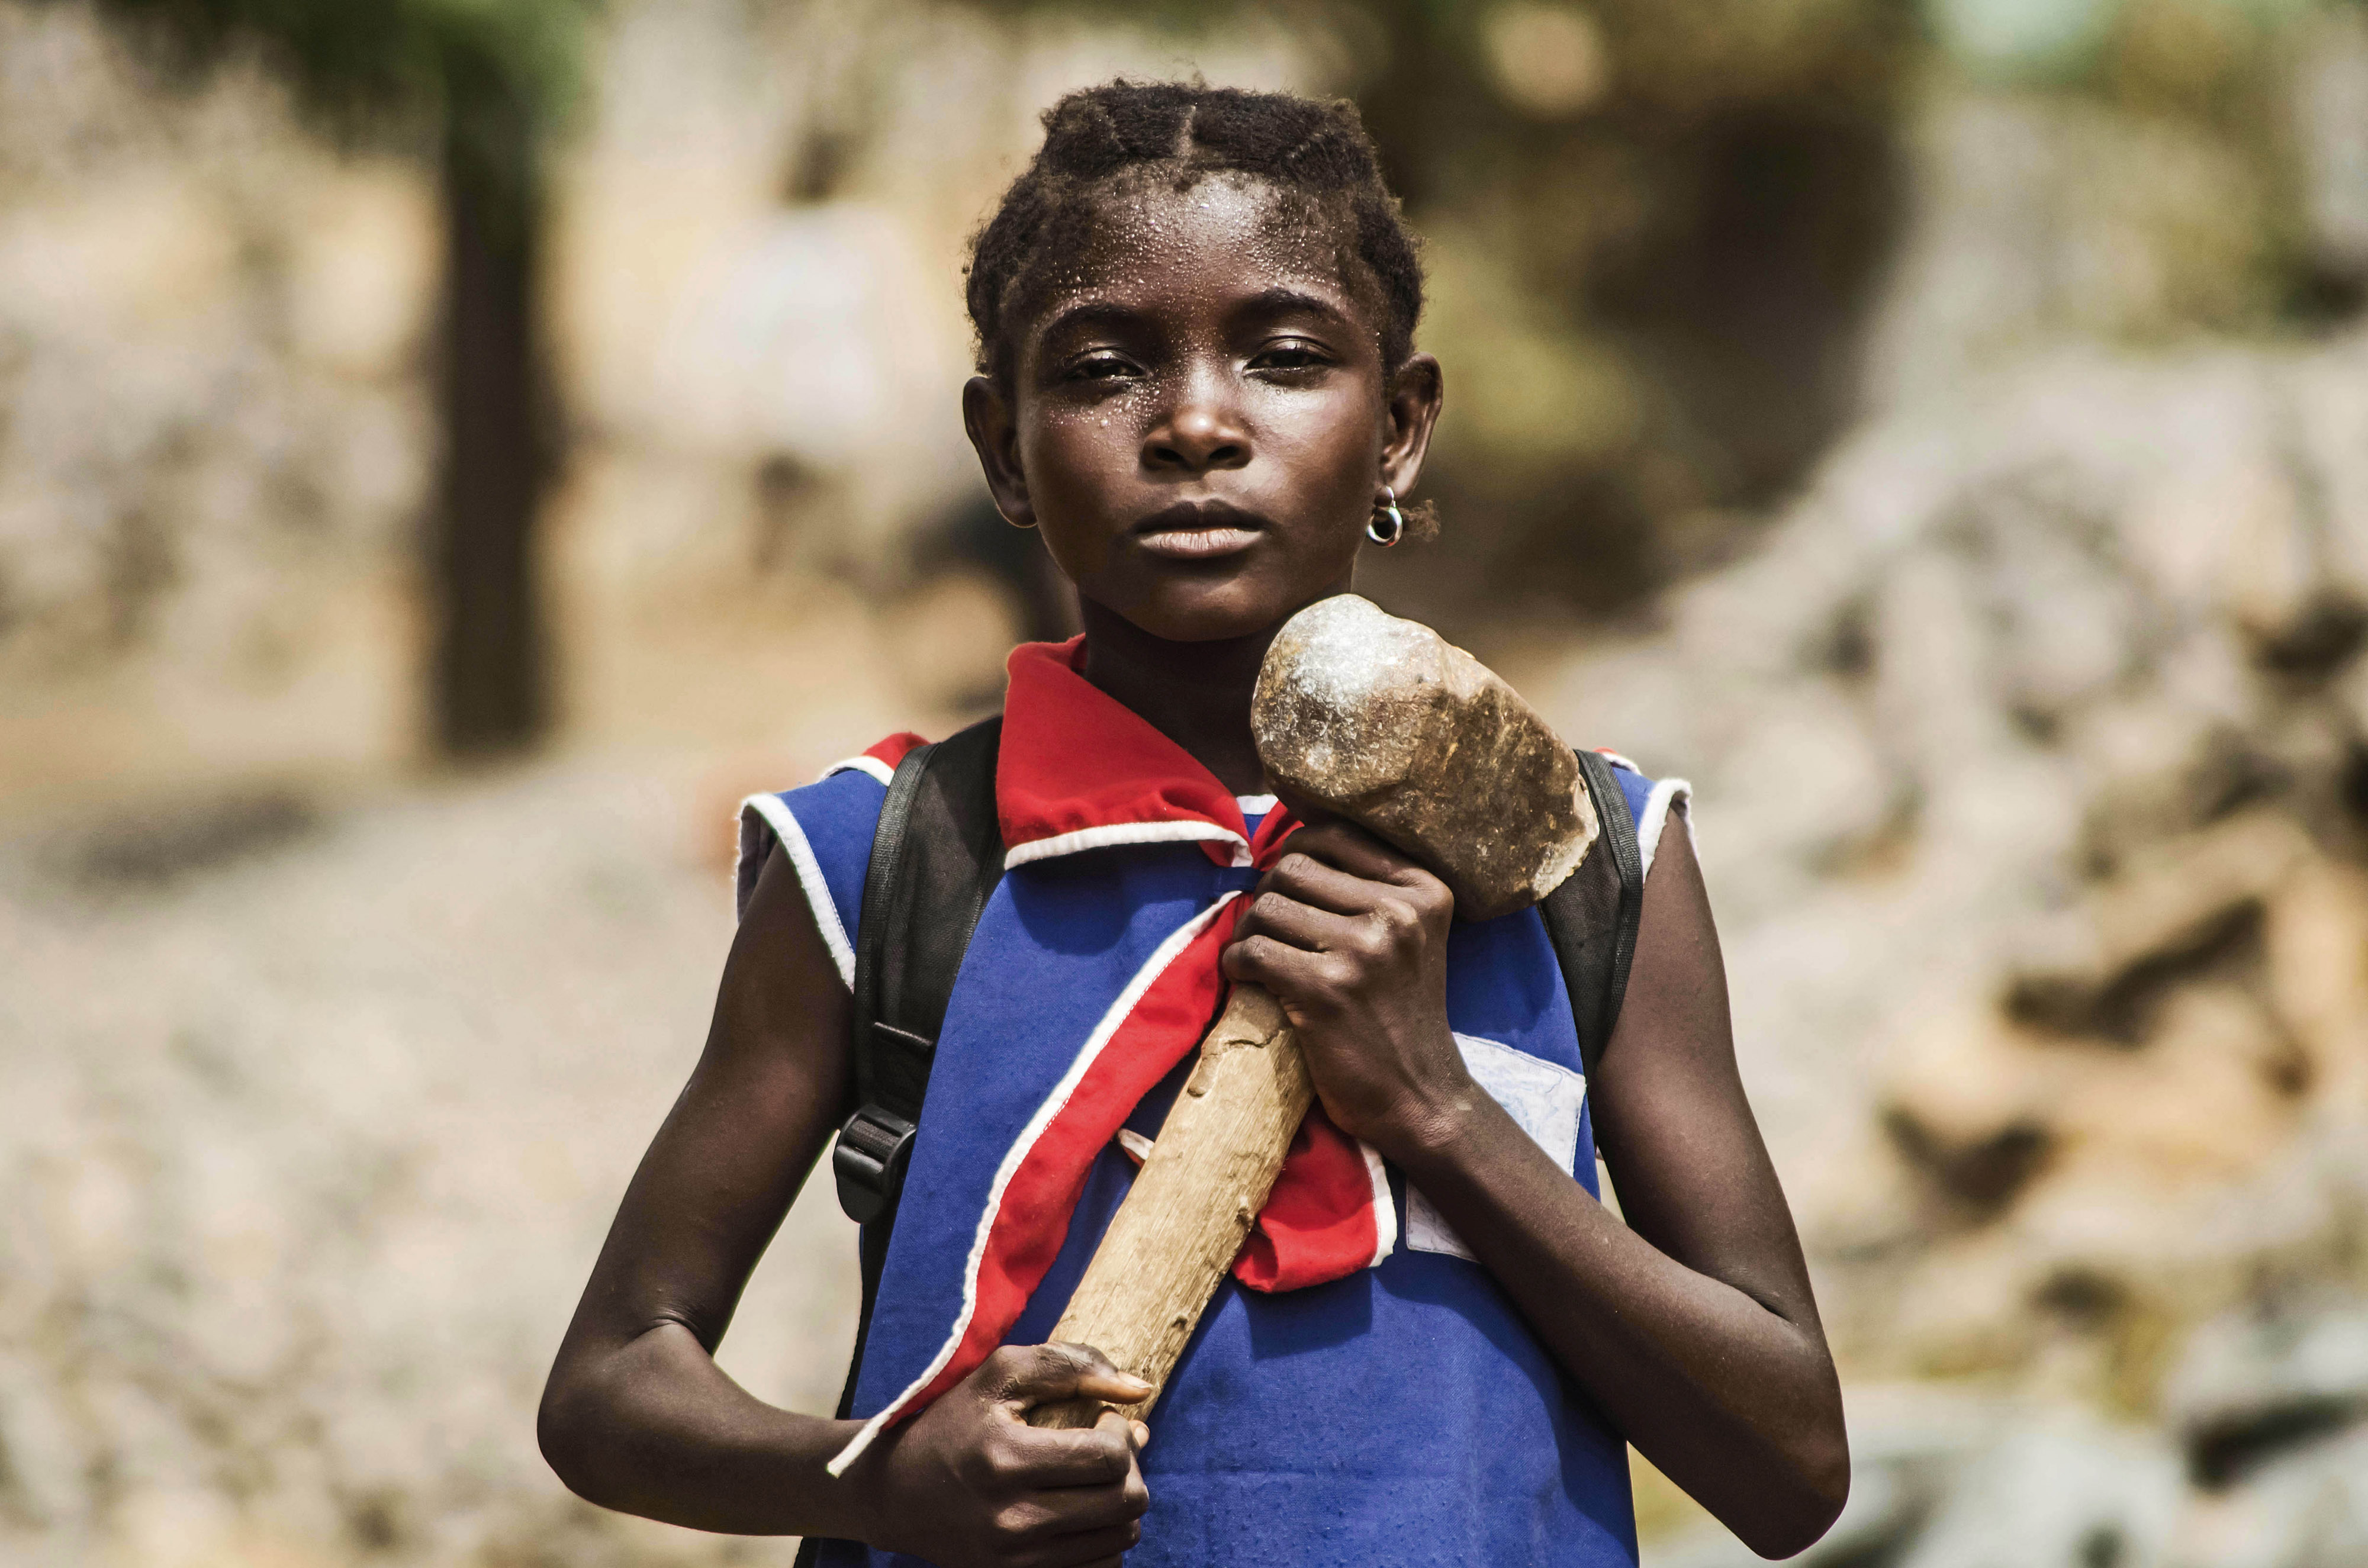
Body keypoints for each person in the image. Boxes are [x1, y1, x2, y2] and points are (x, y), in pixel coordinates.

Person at [538, 79, 1848, 1568]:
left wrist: (1437, 1110)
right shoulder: (892, 863)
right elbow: (606, 1382)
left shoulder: (1584, 858)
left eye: (1286, 358)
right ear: (999, 451)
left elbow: (1789, 1464)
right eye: (1103, 371)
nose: (1198, 424)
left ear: (1402, 426)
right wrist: (876, 1476)